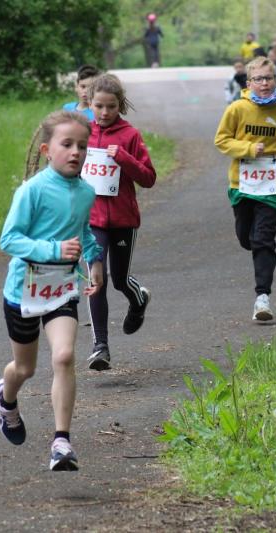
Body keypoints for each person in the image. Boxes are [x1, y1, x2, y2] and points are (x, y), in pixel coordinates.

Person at [0, 110, 105, 471]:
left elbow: (84, 232)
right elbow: (9, 239)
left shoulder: (86, 192)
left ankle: (61, 442)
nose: (76, 152)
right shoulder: (32, 191)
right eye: (67, 144)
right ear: (47, 150)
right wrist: (54, 250)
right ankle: (6, 399)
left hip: (63, 288)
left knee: (64, 356)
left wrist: (95, 262)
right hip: (24, 291)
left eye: (82, 146)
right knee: (24, 368)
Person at [214, 57, 276, 322]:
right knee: (247, 238)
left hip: (271, 185)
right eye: (259, 79)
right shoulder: (237, 109)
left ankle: (262, 297)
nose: (264, 83)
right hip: (241, 185)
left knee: (263, 240)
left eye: (269, 78)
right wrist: (249, 148)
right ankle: (254, 248)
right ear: (249, 82)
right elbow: (221, 140)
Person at [85, 74, 157, 371]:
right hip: (91, 220)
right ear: (89, 104)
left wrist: (124, 158)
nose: (104, 113)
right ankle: (100, 346)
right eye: (99, 106)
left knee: (119, 279)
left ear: (120, 105)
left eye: (111, 107)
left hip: (123, 219)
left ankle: (138, 300)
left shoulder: (130, 135)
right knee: (96, 280)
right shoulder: (82, 133)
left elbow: (148, 178)